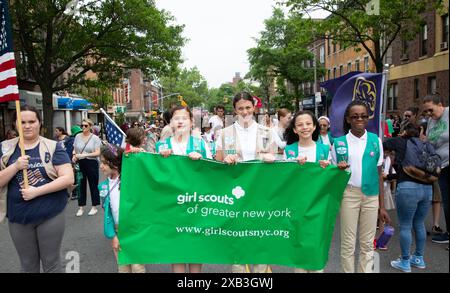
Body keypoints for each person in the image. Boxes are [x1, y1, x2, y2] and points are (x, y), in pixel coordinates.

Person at [0, 105, 74, 272]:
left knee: (51, 263)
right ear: (15, 125)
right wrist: (15, 166)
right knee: (27, 265)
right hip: (18, 216)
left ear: (39, 123)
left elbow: (68, 178)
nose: (27, 126)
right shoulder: (5, 148)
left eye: (32, 121)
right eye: (22, 122)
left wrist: (36, 191)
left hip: (50, 213)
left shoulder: (53, 146)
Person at [215, 91, 277, 273]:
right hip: (235, 195)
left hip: (260, 193)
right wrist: (225, 161)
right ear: (234, 110)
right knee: (237, 242)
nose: (244, 112)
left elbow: (275, 159)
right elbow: (217, 163)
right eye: (240, 108)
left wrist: (270, 157)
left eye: (248, 107)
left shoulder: (267, 132)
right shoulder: (225, 133)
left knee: (260, 239)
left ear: (254, 108)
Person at [331, 100, 390, 273]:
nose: (359, 119)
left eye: (363, 116)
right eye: (355, 116)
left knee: (367, 244)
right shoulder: (339, 143)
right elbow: (334, 176)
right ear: (348, 119)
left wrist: (382, 206)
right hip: (349, 194)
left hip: (371, 196)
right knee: (348, 244)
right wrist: (338, 170)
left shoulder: (375, 140)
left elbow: (379, 174)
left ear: (368, 118)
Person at [156, 106, 212, 273]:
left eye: (184, 118)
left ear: (191, 122)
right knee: (177, 251)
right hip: (172, 207)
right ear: (171, 122)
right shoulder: (162, 145)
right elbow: (153, 176)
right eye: (176, 118)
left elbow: (213, 174)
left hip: (196, 206)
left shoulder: (200, 144)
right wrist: (160, 160)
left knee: (195, 250)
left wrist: (201, 161)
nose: (180, 121)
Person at [383, 123, 436, 272]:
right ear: (420, 132)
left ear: (404, 131)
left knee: (405, 225)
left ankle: (405, 262)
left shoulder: (400, 141)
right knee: (419, 223)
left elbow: (383, 144)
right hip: (427, 188)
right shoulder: (426, 145)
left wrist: (388, 175)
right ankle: (419, 258)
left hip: (407, 188)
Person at [283, 110, 330, 273]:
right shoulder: (289, 150)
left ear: (315, 126)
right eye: (300, 125)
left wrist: (327, 168)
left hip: (318, 206)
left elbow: (330, 179)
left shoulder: (324, 149)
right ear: (295, 130)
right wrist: (292, 167)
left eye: (308, 124)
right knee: (300, 247)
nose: (305, 127)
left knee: (316, 244)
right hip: (297, 206)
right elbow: (284, 180)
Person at [99, 144, 146, 273]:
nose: (101, 166)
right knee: (123, 267)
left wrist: (139, 153)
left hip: (134, 230)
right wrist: (112, 236)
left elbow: (143, 169)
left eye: (104, 162)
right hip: (117, 230)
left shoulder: (130, 180)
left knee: (137, 267)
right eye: (100, 162)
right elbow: (107, 215)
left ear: (115, 163)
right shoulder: (103, 187)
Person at [422, 94, 449, 248]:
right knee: (447, 200)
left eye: (430, 110)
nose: (428, 114)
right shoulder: (432, 121)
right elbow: (431, 141)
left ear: (440, 104)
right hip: (441, 166)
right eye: (426, 112)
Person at [73, 119, 102, 217]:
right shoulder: (77, 136)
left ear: (90, 126)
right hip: (80, 163)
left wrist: (86, 155)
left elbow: (98, 152)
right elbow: (75, 148)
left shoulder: (95, 138)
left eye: (85, 125)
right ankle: (81, 207)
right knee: (80, 184)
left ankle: (94, 206)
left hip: (91, 162)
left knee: (93, 184)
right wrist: (74, 155)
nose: (83, 127)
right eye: (82, 125)